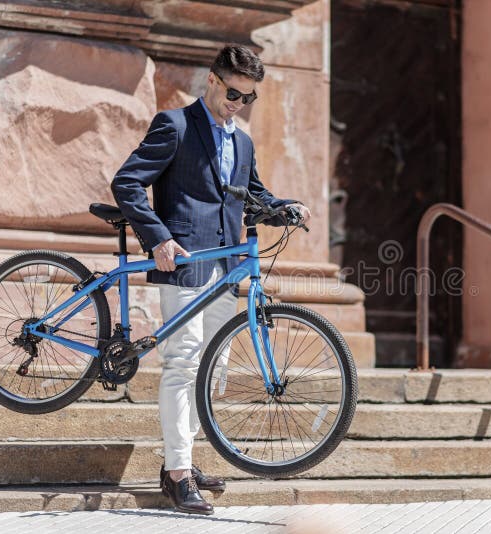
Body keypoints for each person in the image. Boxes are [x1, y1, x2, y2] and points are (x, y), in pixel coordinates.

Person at [111, 44, 311, 515]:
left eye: (249, 98)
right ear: (213, 81)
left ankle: (181, 460)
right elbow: (127, 183)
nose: (239, 105)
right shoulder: (175, 125)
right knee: (183, 363)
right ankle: (178, 475)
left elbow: (253, 194)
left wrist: (286, 207)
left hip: (225, 269)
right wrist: (157, 237)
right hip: (181, 263)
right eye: (234, 93)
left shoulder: (242, 142)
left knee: (212, 369)